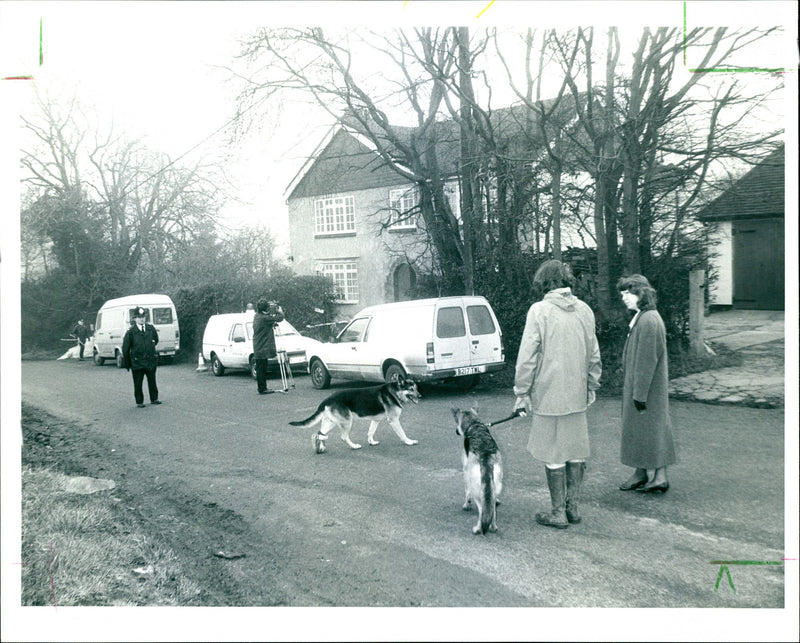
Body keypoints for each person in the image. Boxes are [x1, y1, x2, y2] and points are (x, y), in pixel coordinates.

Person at [513, 259, 602, 529]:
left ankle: (557, 512)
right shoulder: (585, 310)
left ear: (544, 282)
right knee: (575, 452)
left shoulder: (539, 311)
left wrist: (522, 392)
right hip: (576, 395)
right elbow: (594, 354)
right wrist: (591, 385)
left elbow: (527, 357)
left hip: (549, 395)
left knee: (553, 454)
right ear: (567, 282)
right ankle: (572, 508)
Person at [616, 275, 676, 493]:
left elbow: (647, 361)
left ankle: (660, 477)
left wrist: (639, 394)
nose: (624, 298)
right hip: (641, 388)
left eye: (627, 293)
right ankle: (641, 472)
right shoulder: (643, 317)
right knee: (641, 431)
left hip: (647, 390)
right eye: (622, 294)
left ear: (641, 293)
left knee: (653, 430)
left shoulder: (649, 320)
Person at [122, 307, 161, 408]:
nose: (142, 319)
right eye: (139, 317)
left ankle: (154, 398)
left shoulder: (150, 328)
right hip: (137, 362)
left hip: (150, 361)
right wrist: (128, 364)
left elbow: (156, 340)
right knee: (138, 383)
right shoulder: (130, 332)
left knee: (152, 381)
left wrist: (150, 349)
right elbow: (125, 348)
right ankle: (139, 401)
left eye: (143, 316)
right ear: (134, 319)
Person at [253, 299, 284, 395]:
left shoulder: (257, 316)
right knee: (262, 368)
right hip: (262, 347)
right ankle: (262, 389)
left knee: (260, 368)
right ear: (265, 308)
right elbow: (280, 318)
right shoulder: (264, 318)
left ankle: (262, 388)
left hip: (258, 346)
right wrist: (279, 310)